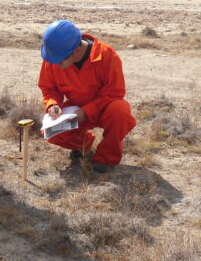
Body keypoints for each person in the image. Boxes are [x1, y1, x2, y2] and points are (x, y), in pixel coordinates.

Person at [38, 20, 136, 173]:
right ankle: (83, 145)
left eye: (59, 61)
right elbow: (49, 88)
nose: (54, 64)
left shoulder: (106, 55)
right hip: (75, 112)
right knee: (50, 132)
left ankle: (106, 158)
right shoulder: (55, 57)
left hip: (104, 109)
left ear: (76, 51)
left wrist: (87, 111)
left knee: (120, 111)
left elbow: (114, 92)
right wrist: (52, 104)